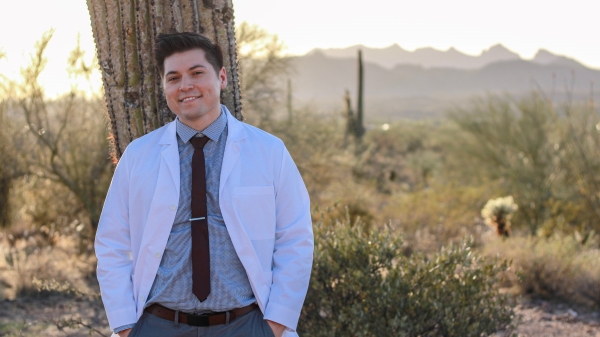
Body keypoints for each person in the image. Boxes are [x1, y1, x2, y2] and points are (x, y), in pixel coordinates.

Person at [95, 32, 313, 337]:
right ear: (164, 87)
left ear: (222, 77)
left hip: (247, 325)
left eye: (197, 73)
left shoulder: (269, 151)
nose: (185, 85)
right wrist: (126, 327)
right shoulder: (138, 156)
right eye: (174, 78)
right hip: (157, 326)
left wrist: (275, 325)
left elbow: (295, 238)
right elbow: (111, 242)